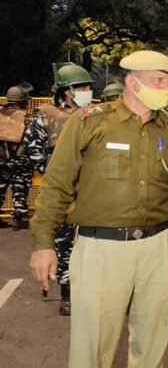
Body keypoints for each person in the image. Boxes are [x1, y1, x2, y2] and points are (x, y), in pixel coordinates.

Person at [28, 50, 168, 367]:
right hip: (102, 247)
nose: (167, 88)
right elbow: (57, 186)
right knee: (92, 346)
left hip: (161, 246)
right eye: (159, 80)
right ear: (132, 82)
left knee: (153, 342)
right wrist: (43, 243)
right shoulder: (89, 123)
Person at [23, 63, 94, 315]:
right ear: (66, 91)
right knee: (64, 244)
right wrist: (53, 173)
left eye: (88, 87)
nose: (87, 91)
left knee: (94, 242)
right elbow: (32, 148)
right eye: (81, 87)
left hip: (91, 191)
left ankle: (94, 290)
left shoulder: (94, 114)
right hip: (63, 193)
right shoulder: (45, 115)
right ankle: (68, 294)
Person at [0, 84, 34, 230]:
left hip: (1, 159)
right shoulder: (27, 118)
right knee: (20, 187)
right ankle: (19, 218)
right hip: (21, 159)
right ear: (23, 101)